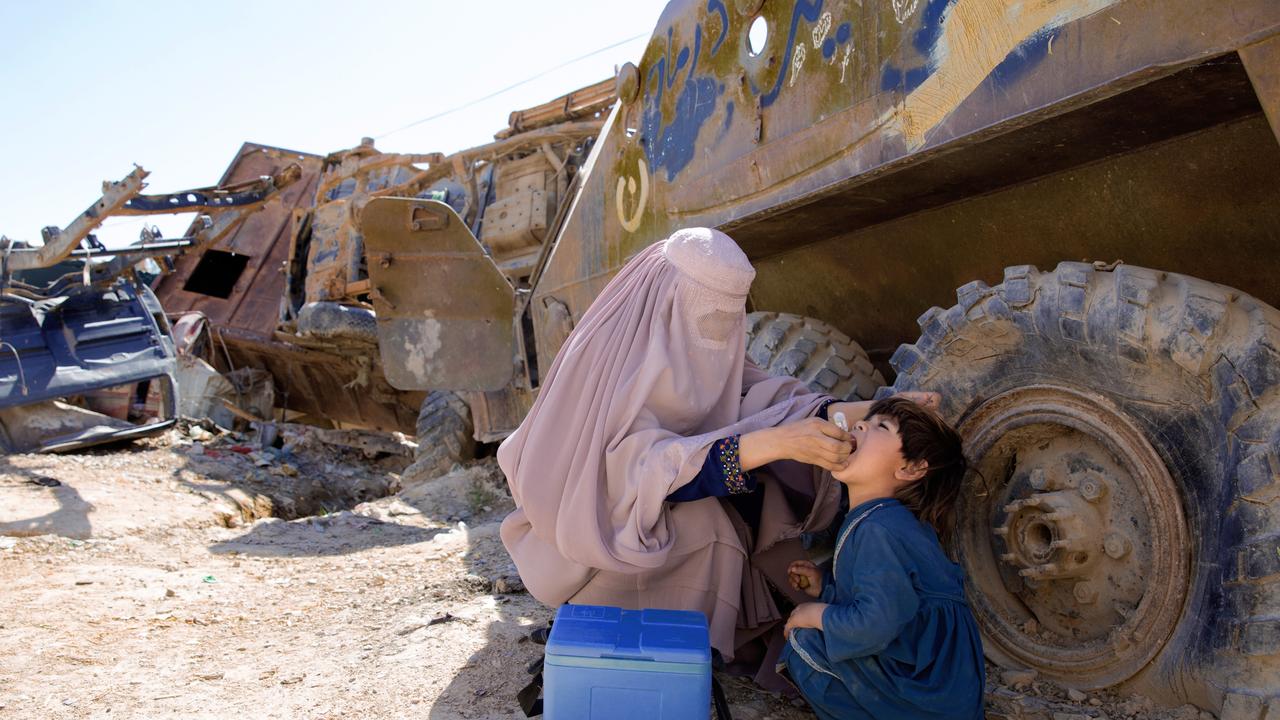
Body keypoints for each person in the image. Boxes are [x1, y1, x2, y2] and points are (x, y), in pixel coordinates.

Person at [497, 226, 904, 665]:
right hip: (589, 546)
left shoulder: (707, 341)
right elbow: (633, 478)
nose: (719, 330)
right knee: (707, 527)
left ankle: (694, 637)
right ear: (670, 298)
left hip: (658, 510)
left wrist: (885, 409)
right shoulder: (607, 359)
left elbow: (773, 401)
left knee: (727, 511)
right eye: (709, 315)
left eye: (731, 317)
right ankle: (624, 625)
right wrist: (770, 442)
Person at [779, 396, 985, 720]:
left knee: (804, 646)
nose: (860, 424)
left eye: (881, 426)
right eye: (866, 421)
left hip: (925, 691)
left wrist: (815, 613)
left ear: (910, 468)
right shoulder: (886, 520)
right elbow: (889, 602)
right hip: (941, 688)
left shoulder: (879, 528)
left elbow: (877, 624)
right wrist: (826, 588)